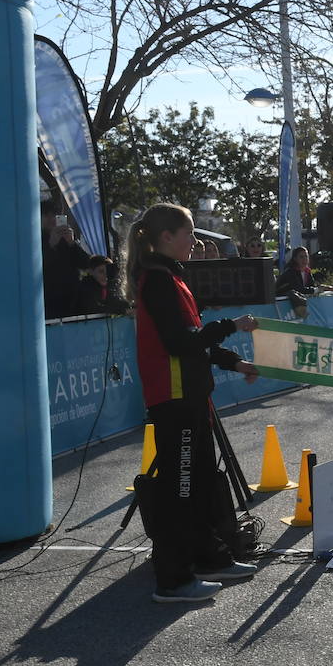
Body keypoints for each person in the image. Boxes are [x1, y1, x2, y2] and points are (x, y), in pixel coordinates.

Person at [125, 203, 262, 604]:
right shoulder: (157, 280)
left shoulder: (172, 276)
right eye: (188, 233)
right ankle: (172, 579)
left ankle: (209, 557)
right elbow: (182, 343)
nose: (195, 241)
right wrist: (232, 326)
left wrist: (235, 362)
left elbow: (195, 339)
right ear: (165, 237)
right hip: (174, 399)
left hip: (191, 396)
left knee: (200, 484)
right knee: (179, 491)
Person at [40, 198, 93, 319]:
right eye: (46, 215)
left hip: (73, 303)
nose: (51, 219)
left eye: (54, 215)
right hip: (49, 304)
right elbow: (39, 267)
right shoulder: (36, 240)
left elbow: (87, 263)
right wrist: (51, 245)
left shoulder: (66, 240)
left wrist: (72, 243)